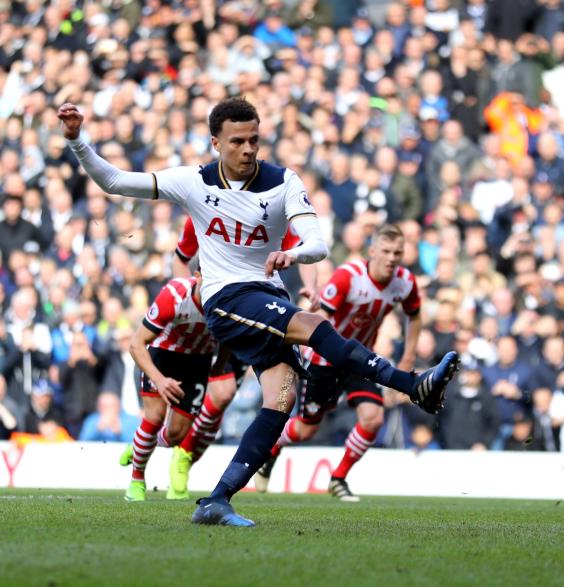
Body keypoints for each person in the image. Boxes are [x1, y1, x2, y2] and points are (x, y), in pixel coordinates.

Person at [58, 98, 460, 526]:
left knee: (282, 396)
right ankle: (412, 384)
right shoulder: (193, 181)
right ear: (216, 143)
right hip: (226, 298)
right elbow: (115, 181)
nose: (248, 149)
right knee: (315, 326)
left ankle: (216, 499)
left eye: (254, 139)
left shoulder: (283, 182)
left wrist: (295, 255)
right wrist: (76, 139)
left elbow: (318, 243)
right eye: (237, 141)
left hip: (268, 294)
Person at [254, 223, 425, 501]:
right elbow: (320, 316)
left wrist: (408, 357)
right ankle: (271, 451)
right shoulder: (348, 276)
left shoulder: (405, 282)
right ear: (372, 251)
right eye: (386, 251)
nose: (392, 258)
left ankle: (338, 478)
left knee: (373, 418)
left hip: (361, 360)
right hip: (325, 360)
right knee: (305, 429)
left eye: (398, 252)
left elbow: (414, 315)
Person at [167, 216, 305, 499]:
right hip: (216, 315)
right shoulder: (202, 212)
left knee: (225, 397)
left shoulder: (266, 215)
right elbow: (181, 260)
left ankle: (185, 455)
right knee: (221, 393)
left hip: (253, 314)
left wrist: (311, 286)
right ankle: (177, 453)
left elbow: (302, 250)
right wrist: (188, 297)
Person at [118, 273, 220, 501]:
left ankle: (138, 444)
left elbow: (230, 340)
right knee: (153, 418)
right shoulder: (174, 295)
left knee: (175, 435)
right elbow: (136, 344)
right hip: (162, 355)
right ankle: (136, 481)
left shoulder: (228, 299)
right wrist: (160, 379)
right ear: (197, 276)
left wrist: (219, 367)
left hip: (198, 361)